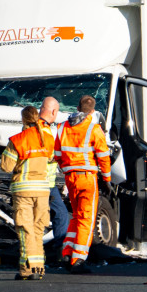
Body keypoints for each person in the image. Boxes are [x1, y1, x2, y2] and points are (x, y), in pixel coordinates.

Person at [54, 95, 111, 274]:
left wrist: (66, 168)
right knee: (87, 219)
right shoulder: (94, 128)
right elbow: (103, 156)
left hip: (70, 177)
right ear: (93, 111)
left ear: (77, 106)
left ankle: (67, 252)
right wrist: (107, 180)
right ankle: (78, 258)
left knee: (77, 216)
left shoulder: (62, 127)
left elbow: (57, 154)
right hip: (87, 178)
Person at [1, 105, 54, 280]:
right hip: (43, 191)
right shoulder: (47, 138)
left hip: (23, 190)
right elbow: (52, 159)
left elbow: (6, 167)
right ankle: (38, 268)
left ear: (23, 119)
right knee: (38, 229)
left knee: (25, 230)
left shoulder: (18, 139)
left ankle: (27, 269)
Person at [39, 96, 70, 262]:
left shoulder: (29, 128)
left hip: (32, 183)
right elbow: (53, 156)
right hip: (46, 184)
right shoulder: (50, 133)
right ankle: (59, 253)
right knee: (61, 215)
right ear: (53, 111)